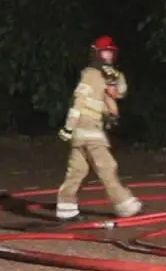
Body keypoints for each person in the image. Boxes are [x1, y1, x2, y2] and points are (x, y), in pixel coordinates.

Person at [55, 36, 143, 220]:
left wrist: (114, 82)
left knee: (77, 170)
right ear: (96, 53)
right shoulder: (90, 74)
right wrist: (68, 127)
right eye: (105, 51)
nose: (108, 55)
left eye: (111, 52)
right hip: (88, 127)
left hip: (90, 128)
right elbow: (79, 100)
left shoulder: (108, 74)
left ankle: (65, 207)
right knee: (107, 166)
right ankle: (125, 204)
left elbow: (120, 92)